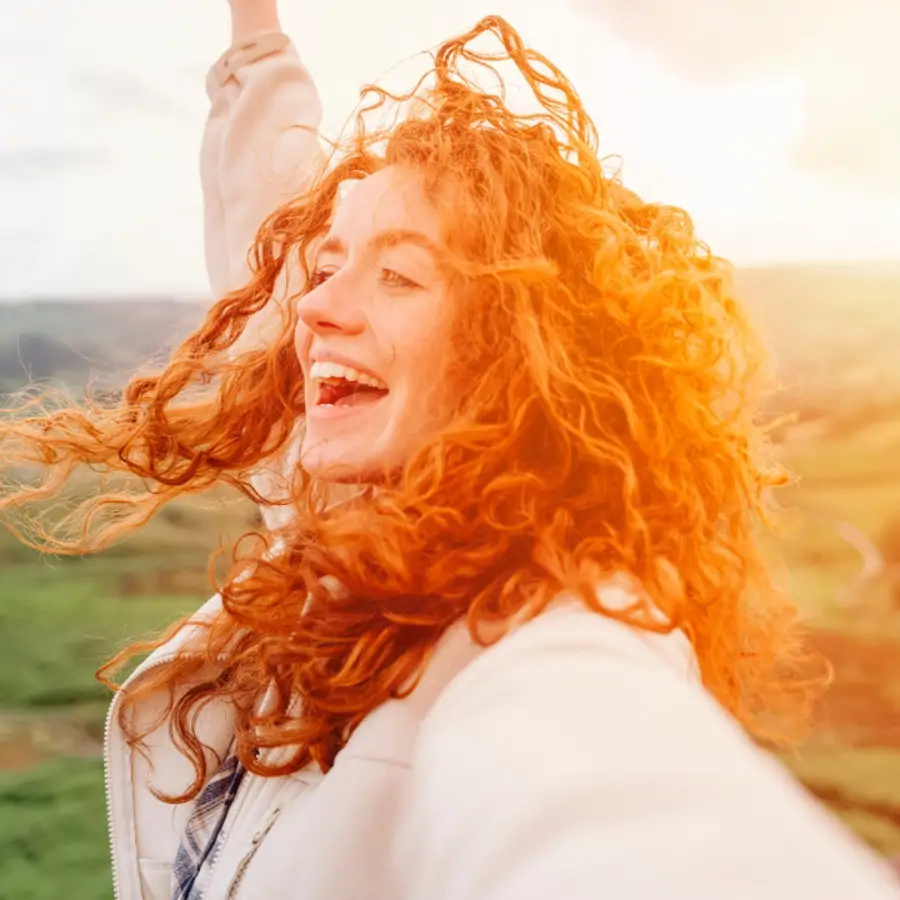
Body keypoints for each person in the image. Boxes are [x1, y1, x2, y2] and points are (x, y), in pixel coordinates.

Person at [2, 3, 899, 899]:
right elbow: (266, 243)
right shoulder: (344, 509)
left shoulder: (554, 638)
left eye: (398, 275)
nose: (316, 310)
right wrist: (256, 31)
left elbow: (619, 810)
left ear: (515, 353)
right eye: (328, 265)